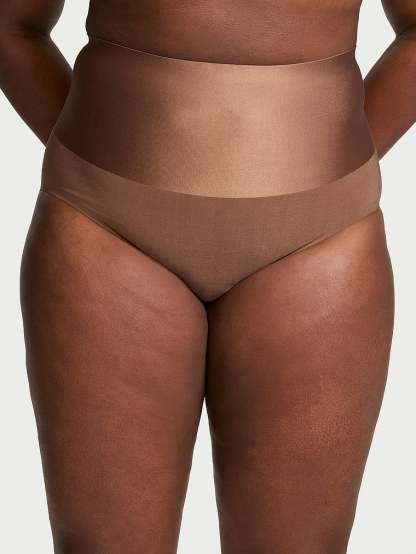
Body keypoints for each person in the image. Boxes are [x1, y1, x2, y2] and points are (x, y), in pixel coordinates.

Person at [0, 1, 414, 553]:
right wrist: (98, 171)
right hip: (106, 226)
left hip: (321, 236)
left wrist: (336, 176)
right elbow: (11, 26)